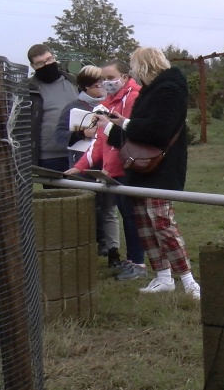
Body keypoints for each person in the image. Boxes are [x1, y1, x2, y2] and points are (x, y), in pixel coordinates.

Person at [105, 47, 200, 300]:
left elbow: (158, 131)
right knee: (145, 225)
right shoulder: (151, 90)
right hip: (142, 168)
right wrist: (108, 129)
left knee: (162, 225)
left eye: (134, 66)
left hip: (161, 168)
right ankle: (162, 277)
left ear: (144, 65)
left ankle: (189, 281)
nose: (133, 71)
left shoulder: (170, 89)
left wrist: (122, 124)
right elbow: (138, 133)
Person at [67, 59, 145, 276]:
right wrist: (80, 167)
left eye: (111, 78)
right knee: (125, 214)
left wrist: (110, 125)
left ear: (125, 76)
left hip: (130, 165)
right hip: (114, 170)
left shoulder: (134, 98)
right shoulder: (109, 102)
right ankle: (133, 260)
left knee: (132, 216)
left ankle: (137, 261)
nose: (107, 83)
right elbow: (99, 142)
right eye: (104, 79)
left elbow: (128, 133)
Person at [55, 65, 119, 263]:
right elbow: (59, 135)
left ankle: (113, 251)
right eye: (96, 84)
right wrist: (82, 133)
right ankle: (85, 250)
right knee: (88, 208)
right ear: (85, 87)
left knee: (109, 209)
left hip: (107, 164)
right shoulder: (73, 107)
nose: (101, 88)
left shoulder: (111, 106)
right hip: (82, 165)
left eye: (102, 83)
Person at [28, 44, 78, 172]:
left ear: (54, 58)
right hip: (49, 157)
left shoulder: (73, 82)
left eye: (49, 60)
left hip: (77, 150)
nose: (46, 65)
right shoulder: (30, 89)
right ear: (33, 66)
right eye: (40, 63)